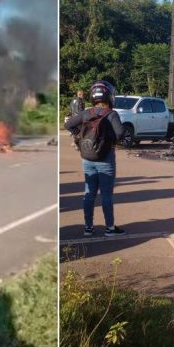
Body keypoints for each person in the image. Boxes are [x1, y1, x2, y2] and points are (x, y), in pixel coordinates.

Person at [64, 80, 127, 237]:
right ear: (109, 96)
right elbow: (120, 134)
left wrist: (78, 135)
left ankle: (88, 228)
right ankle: (110, 228)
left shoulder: (86, 113)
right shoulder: (111, 114)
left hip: (87, 157)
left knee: (89, 193)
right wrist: (107, 139)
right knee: (106, 194)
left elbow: (68, 125)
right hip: (106, 157)